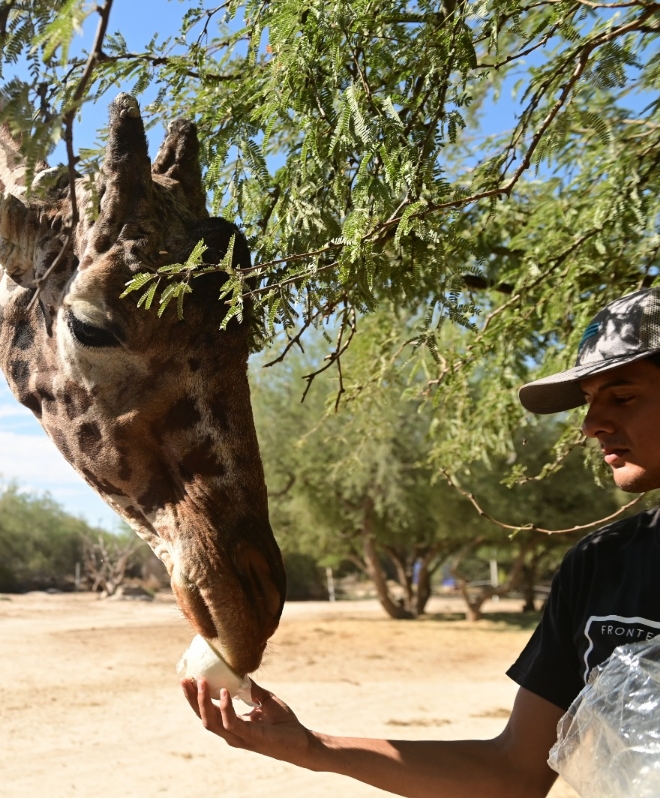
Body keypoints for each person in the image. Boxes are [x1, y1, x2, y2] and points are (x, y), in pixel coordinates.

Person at [181, 287, 660, 797]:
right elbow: (514, 773)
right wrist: (312, 748)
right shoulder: (599, 567)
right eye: (588, 401)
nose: (591, 425)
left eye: (623, 396)